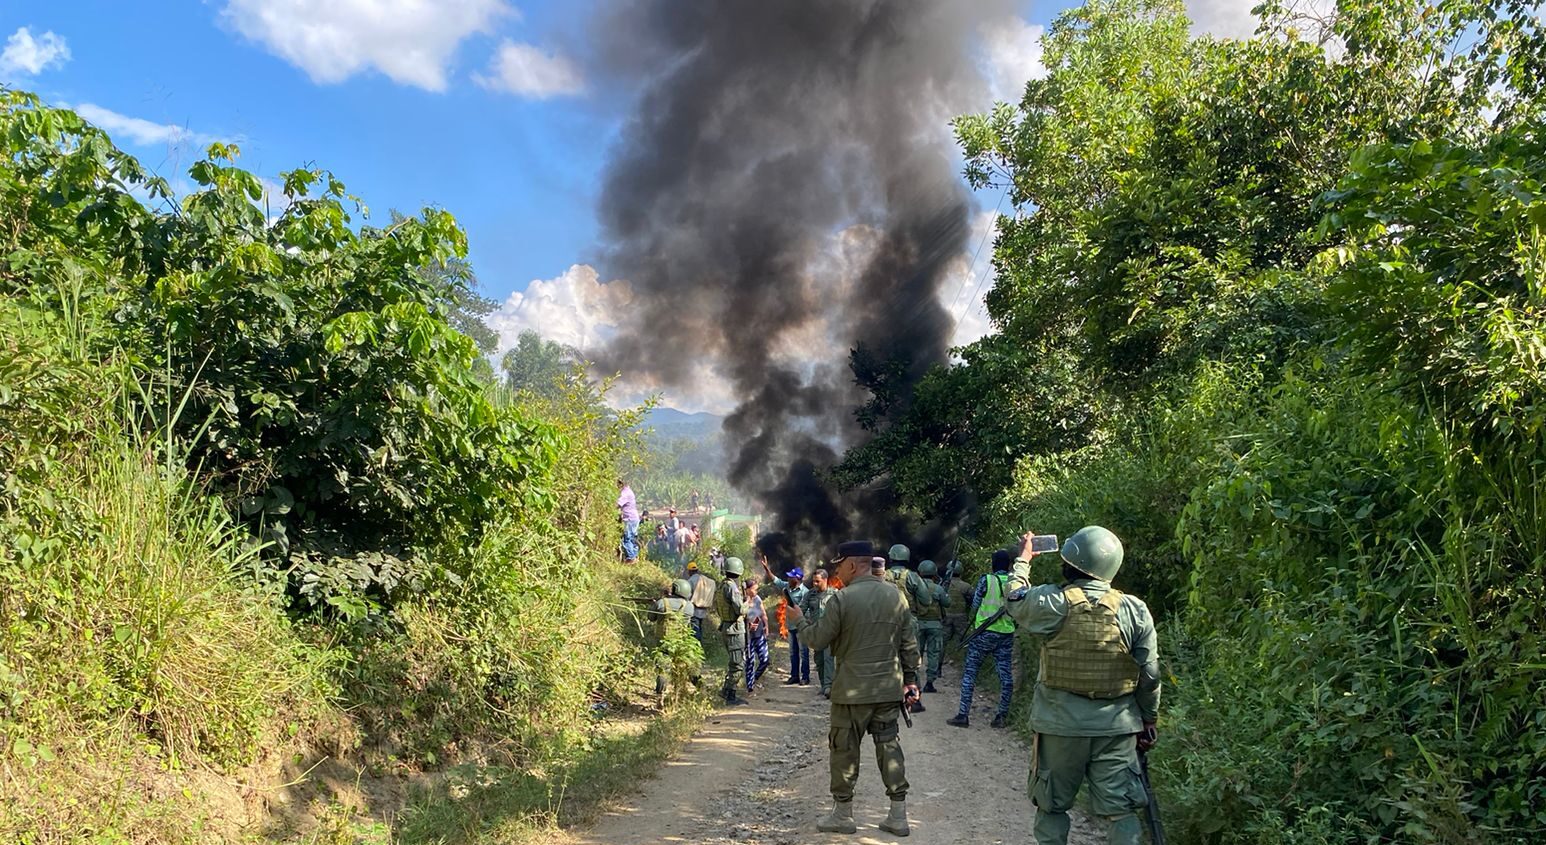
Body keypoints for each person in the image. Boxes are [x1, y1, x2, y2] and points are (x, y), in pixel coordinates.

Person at [1006, 527, 1160, 845]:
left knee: (1052, 808)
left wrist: (1024, 559)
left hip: (1059, 725)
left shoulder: (1051, 601)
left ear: (1069, 563)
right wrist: (1149, 718)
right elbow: (1150, 675)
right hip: (1116, 728)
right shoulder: (1134, 609)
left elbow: (1014, 598)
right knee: (1122, 812)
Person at [786, 540, 920, 837]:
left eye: (838, 566)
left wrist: (799, 621)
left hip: (851, 693)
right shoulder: (896, 597)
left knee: (844, 750)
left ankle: (843, 815)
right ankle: (898, 816)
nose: (837, 572)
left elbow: (818, 640)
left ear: (851, 564)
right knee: (889, 746)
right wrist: (911, 680)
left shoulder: (841, 600)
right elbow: (909, 644)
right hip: (888, 689)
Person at [947, 550, 1018, 730]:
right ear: (1009, 565)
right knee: (1006, 677)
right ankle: (1001, 716)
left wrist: (974, 623)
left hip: (983, 634)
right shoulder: (1015, 583)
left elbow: (976, 604)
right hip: (1006, 635)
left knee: (970, 673)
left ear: (993, 564)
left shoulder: (986, 580)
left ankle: (963, 715)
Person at [651, 579, 701, 697]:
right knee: (688, 666)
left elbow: (651, 617)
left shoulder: (662, 603)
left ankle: (660, 694)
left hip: (663, 641)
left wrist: (655, 604)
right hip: (681, 642)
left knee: (663, 668)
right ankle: (699, 687)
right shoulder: (689, 606)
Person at [714, 556, 750, 706]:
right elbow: (740, 609)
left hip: (726, 626)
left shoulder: (722, 585)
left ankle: (727, 691)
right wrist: (748, 602)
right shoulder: (732, 588)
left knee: (734, 662)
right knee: (737, 663)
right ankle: (730, 695)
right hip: (734, 629)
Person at [914, 560, 951, 693]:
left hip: (918, 624)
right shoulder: (938, 588)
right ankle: (929, 683)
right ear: (934, 573)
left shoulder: (915, 587)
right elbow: (947, 603)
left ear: (920, 572)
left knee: (916, 653)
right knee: (933, 653)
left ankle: (914, 681)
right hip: (935, 625)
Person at [800, 568, 837, 698]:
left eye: (817, 581)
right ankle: (823, 685)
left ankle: (829, 686)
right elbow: (801, 611)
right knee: (819, 660)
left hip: (830, 633)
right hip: (816, 632)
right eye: (813, 581)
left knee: (829, 659)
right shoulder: (810, 595)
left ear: (825, 580)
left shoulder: (835, 594)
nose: (814, 584)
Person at [744, 578, 772, 692]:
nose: (756, 592)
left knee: (765, 659)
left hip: (759, 632)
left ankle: (755, 678)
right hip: (748, 636)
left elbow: (763, 613)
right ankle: (750, 687)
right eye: (754, 589)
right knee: (750, 661)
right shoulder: (742, 601)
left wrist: (766, 626)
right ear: (747, 589)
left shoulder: (757, 599)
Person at [686, 560, 716, 643]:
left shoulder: (691, 581)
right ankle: (698, 646)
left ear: (689, 571)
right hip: (703, 610)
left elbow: (687, 595)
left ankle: (696, 646)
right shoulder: (705, 579)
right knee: (699, 627)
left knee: (694, 630)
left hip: (693, 610)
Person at [616, 479, 640, 563]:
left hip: (629, 519)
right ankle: (635, 556)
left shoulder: (625, 493)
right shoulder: (630, 491)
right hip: (634, 518)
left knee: (627, 539)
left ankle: (631, 557)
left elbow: (618, 504)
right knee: (632, 538)